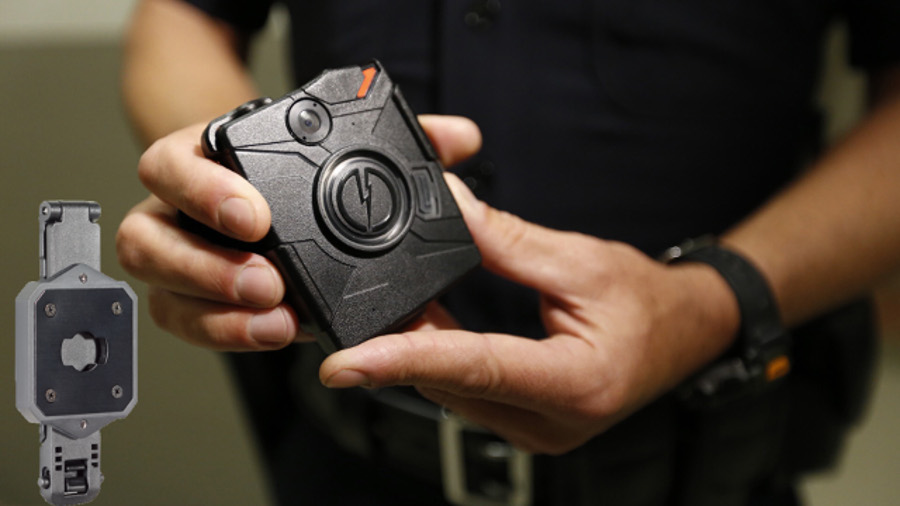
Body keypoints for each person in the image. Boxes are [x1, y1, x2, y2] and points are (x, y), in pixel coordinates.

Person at [117, 0, 900, 504]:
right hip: (347, 458)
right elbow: (182, 14)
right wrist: (241, 181)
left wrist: (709, 299)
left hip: (700, 465)